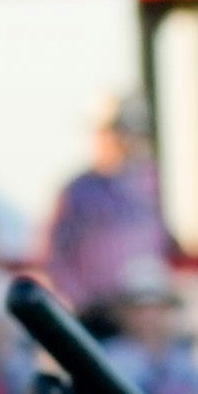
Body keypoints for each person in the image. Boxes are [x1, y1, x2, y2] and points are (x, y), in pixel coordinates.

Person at [45, 100, 173, 316]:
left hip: (147, 310)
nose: (123, 140)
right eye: (115, 132)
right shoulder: (78, 191)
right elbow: (54, 255)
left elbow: (169, 244)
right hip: (96, 312)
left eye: (129, 132)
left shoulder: (154, 184)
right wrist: (81, 299)